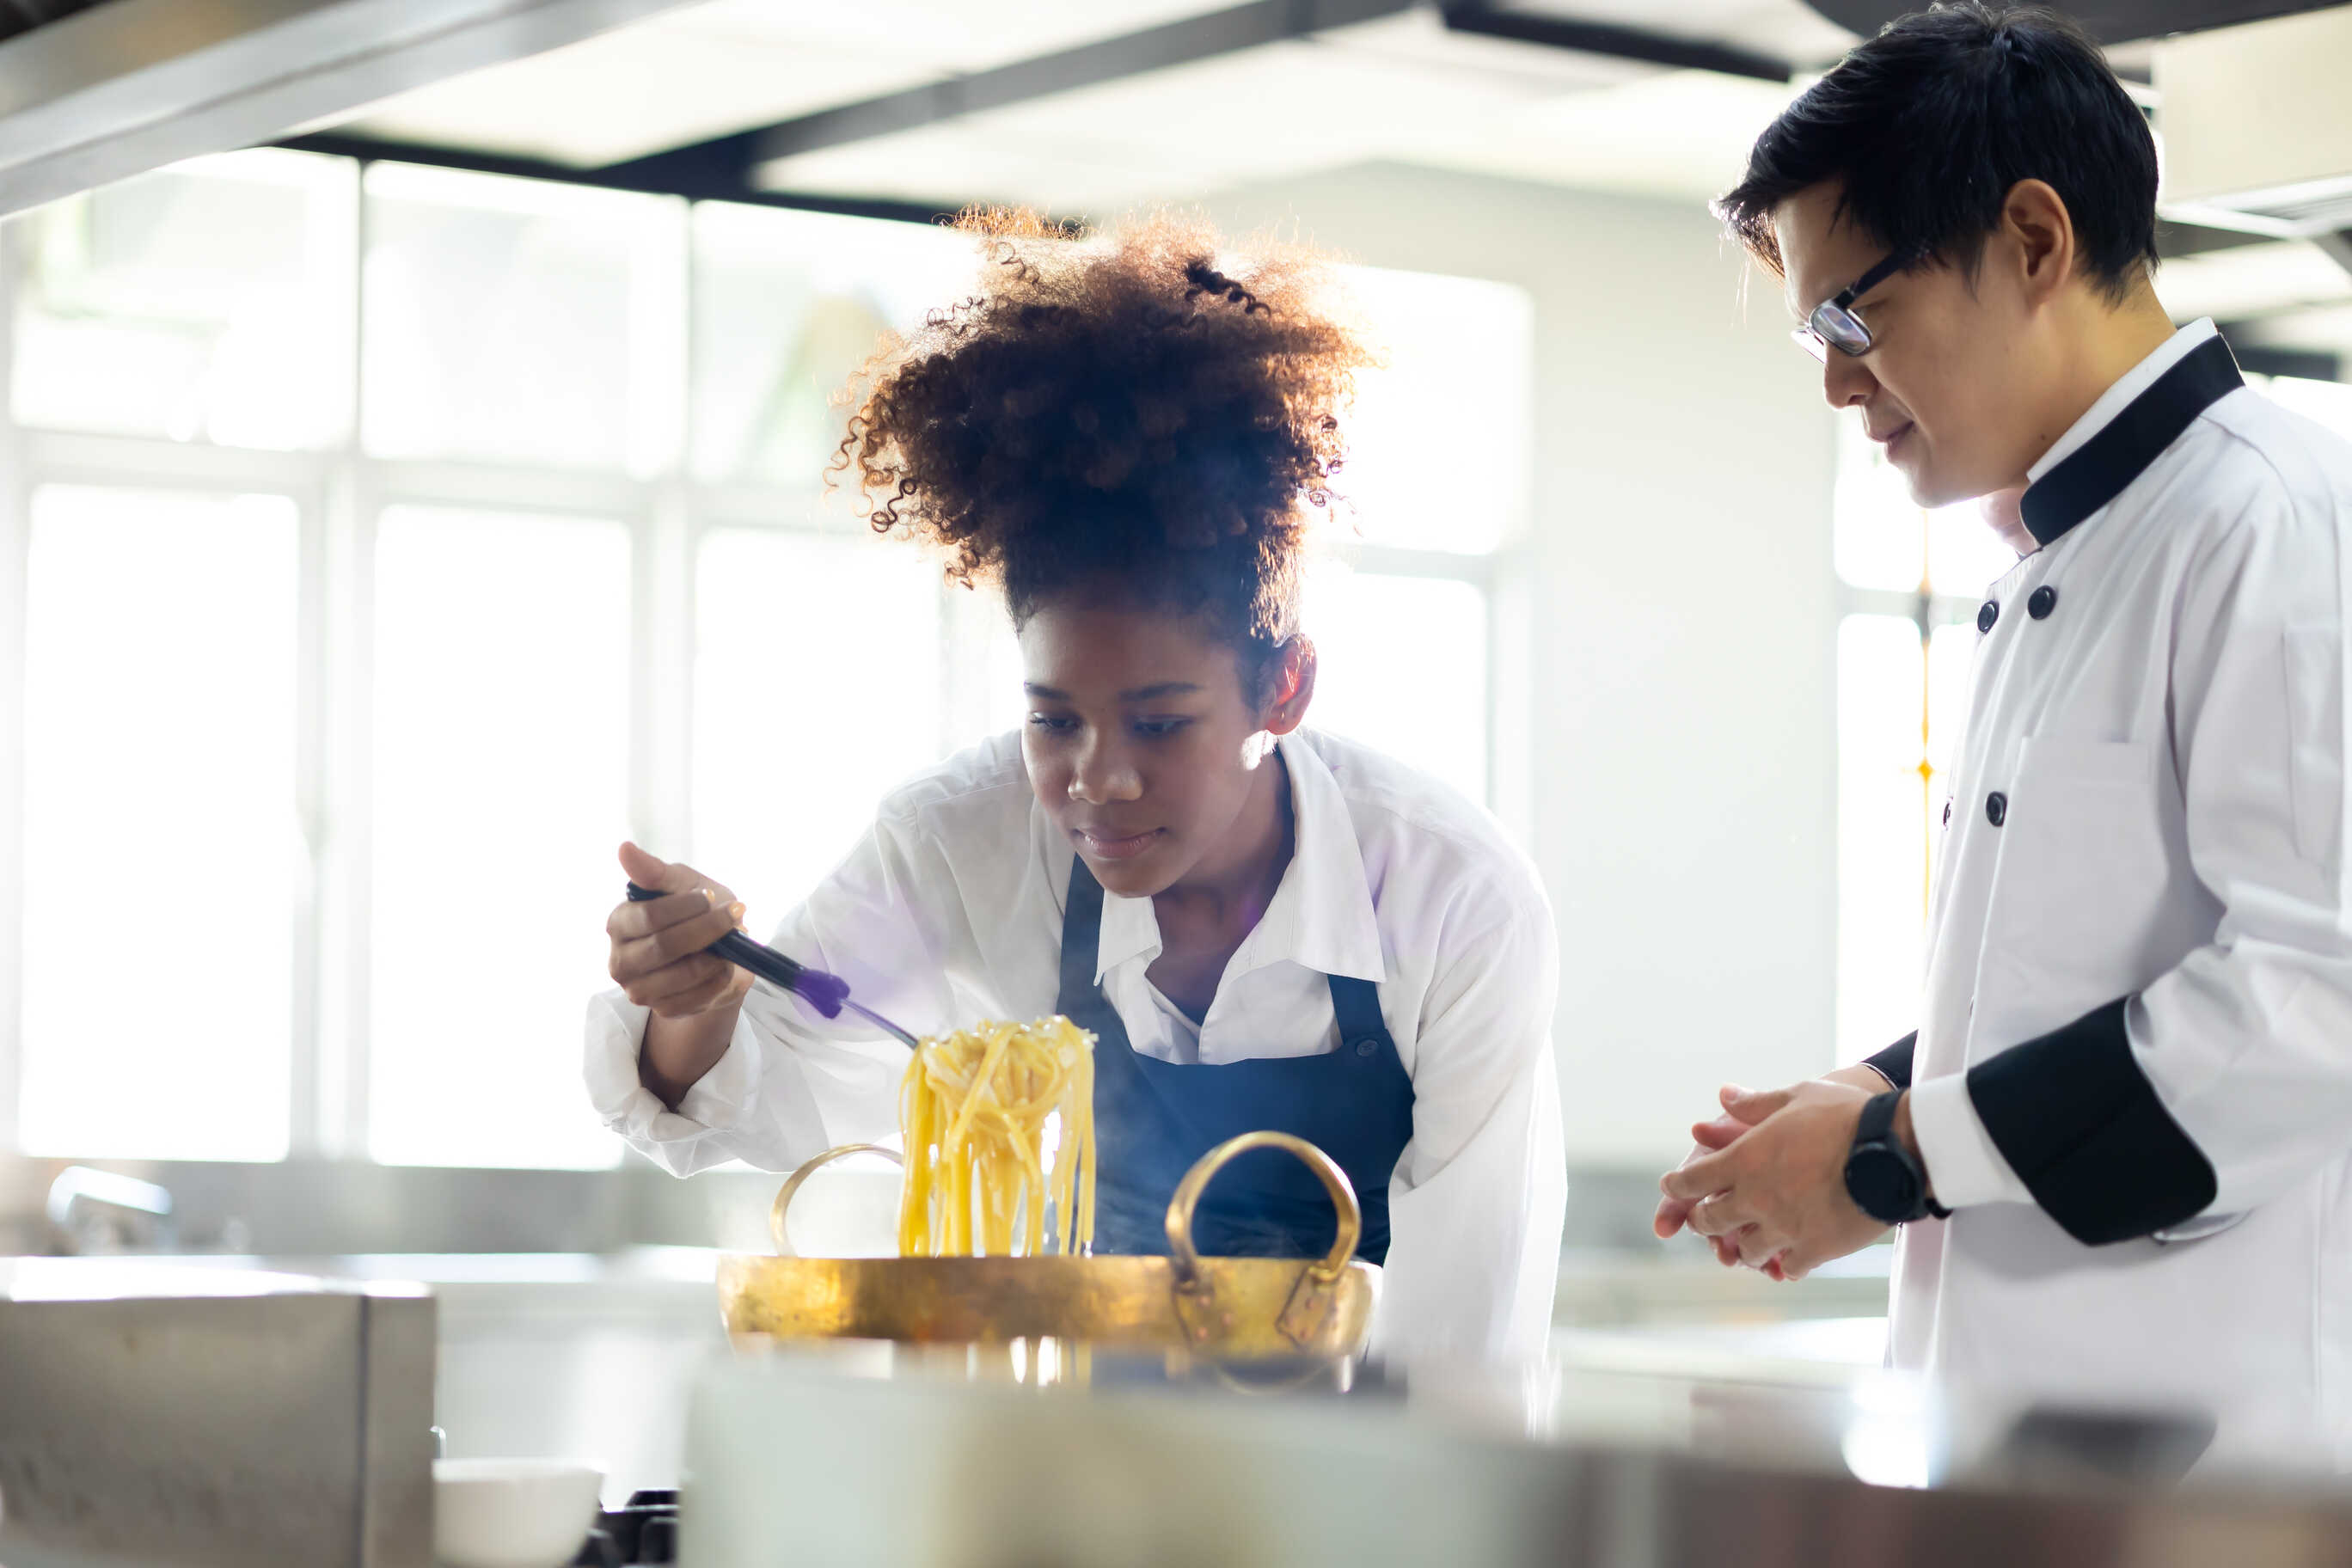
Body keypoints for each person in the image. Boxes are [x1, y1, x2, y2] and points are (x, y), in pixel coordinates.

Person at [585, 211, 1565, 1363]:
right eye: (1054, 721)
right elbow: (769, 1093)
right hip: (1066, 1457)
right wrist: (693, 1010)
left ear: (1283, 688)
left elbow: (1471, 1332)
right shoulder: (960, 845)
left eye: (1159, 722)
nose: (1097, 780)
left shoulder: (1448, 893)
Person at [1655, 3, 2352, 1433]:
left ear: (2034, 241)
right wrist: (1881, 1087)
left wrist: (1891, 1155)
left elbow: (2307, 1009)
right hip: (2028, 1440)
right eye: (1815, 342)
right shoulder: (2072, 559)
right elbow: (2100, 972)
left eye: (1855, 316)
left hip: (2222, 1451)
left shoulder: (2268, 526)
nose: (1842, 381)